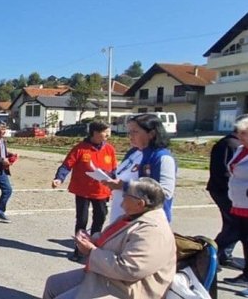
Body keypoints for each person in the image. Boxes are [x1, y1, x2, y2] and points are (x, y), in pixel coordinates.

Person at [43, 177, 176, 299]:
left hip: (126, 289)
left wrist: (91, 252)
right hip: (108, 276)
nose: (121, 200)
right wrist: (93, 240)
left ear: (140, 203)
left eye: (126, 196)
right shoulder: (132, 217)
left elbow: (129, 269)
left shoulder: (153, 231)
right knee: (53, 284)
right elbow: (112, 239)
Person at [52, 121, 116, 262]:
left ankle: (93, 249)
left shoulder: (110, 149)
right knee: (82, 220)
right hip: (83, 191)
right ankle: (79, 250)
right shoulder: (80, 148)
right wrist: (59, 178)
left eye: (108, 131)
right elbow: (66, 165)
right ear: (95, 133)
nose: (108, 134)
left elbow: (114, 171)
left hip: (102, 191)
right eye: (105, 132)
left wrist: (115, 185)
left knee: (99, 220)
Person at [104, 114, 176, 223]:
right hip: (121, 216)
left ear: (151, 134)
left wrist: (124, 185)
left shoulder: (162, 158)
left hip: (146, 222)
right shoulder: (133, 152)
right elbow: (122, 174)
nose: (130, 135)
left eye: (135, 132)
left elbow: (164, 192)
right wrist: (109, 176)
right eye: (129, 131)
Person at [207, 122, 242, 269]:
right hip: (225, 191)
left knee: (232, 225)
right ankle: (210, 254)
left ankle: (221, 255)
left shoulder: (231, 143)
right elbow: (226, 172)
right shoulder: (231, 144)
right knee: (235, 226)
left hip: (225, 191)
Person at [221, 115, 248, 287]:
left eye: (244, 133)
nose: (239, 136)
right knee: (245, 240)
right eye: (239, 133)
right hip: (239, 203)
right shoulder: (240, 149)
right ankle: (246, 275)